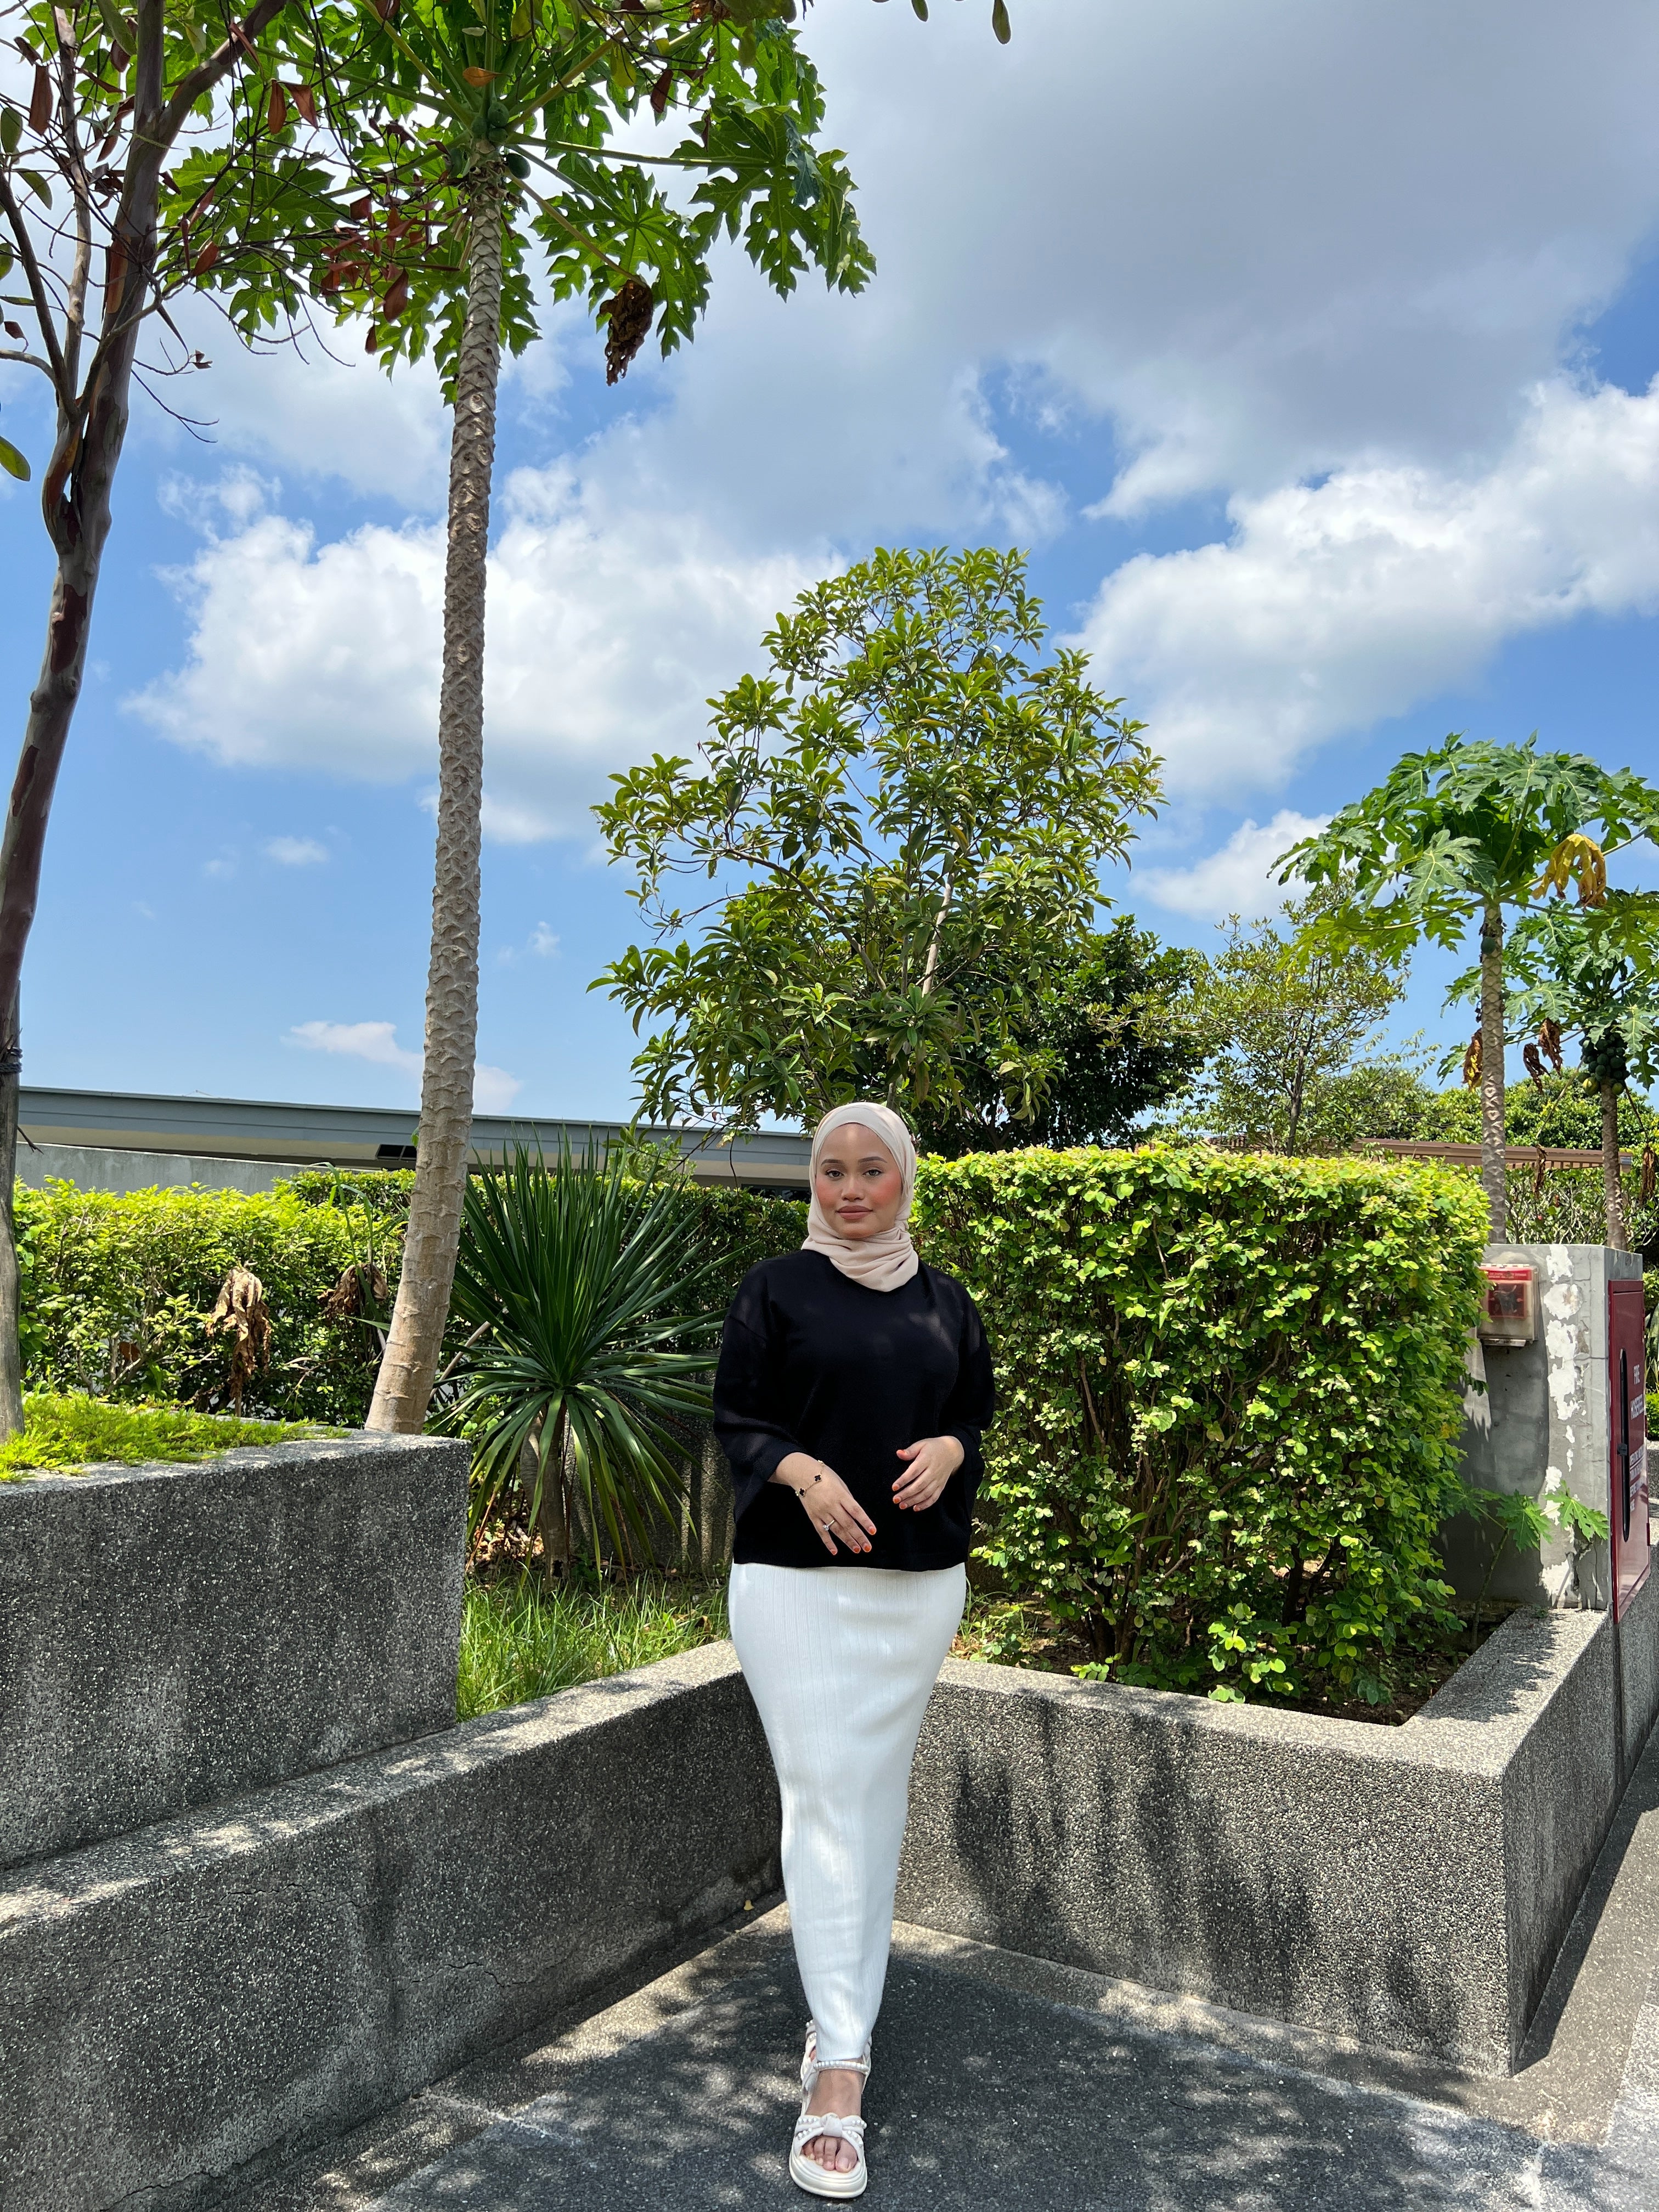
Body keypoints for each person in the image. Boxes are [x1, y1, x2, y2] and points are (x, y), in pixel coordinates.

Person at [713, 1101, 996, 2200]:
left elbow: (976, 1410)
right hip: (791, 1587)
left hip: (915, 1591)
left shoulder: (948, 1302)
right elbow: (738, 1417)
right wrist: (800, 1471)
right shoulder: (773, 1291)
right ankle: (840, 2063)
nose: (848, 1188)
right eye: (830, 1170)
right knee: (828, 1796)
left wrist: (950, 1449)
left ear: (905, 1181)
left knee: (869, 1801)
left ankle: (845, 2015)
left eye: (871, 1170)